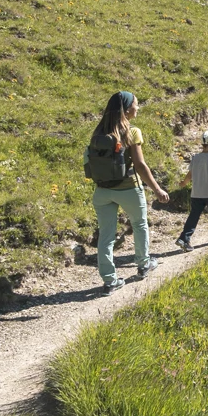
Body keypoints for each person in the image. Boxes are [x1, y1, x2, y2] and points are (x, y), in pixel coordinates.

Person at [84, 90, 170, 291]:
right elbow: (140, 165)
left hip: (102, 191)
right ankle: (143, 264)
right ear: (127, 109)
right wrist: (157, 189)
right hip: (129, 189)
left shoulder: (98, 133)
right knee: (139, 225)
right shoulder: (132, 132)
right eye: (136, 104)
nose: (137, 108)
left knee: (106, 236)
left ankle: (110, 280)